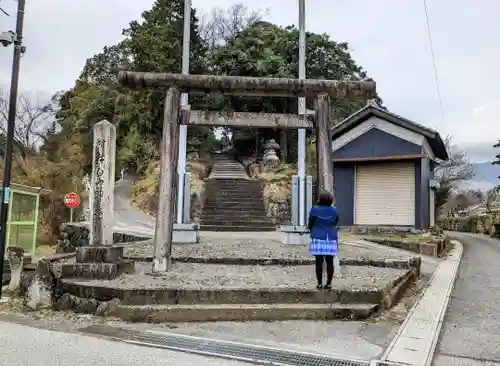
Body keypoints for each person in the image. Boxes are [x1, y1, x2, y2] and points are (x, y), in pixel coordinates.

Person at [308, 191, 339, 290]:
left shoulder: (314, 209)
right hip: (330, 237)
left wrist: (312, 229)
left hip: (317, 236)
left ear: (319, 199)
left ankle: (319, 284)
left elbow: (310, 222)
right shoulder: (334, 210)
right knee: (330, 261)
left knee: (318, 261)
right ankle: (329, 284)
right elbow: (335, 221)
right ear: (330, 199)